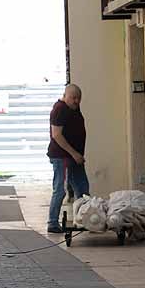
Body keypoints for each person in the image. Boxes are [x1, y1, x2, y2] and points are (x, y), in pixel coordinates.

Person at [47, 83, 89, 233]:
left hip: (73, 157)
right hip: (62, 157)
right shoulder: (60, 109)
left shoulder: (73, 108)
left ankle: (85, 219)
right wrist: (74, 153)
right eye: (73, 98)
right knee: (60, 190)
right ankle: (52, 223)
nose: (76, 101)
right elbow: (57, 135)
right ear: (65, 96)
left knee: (82, 188)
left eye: (79, 98)